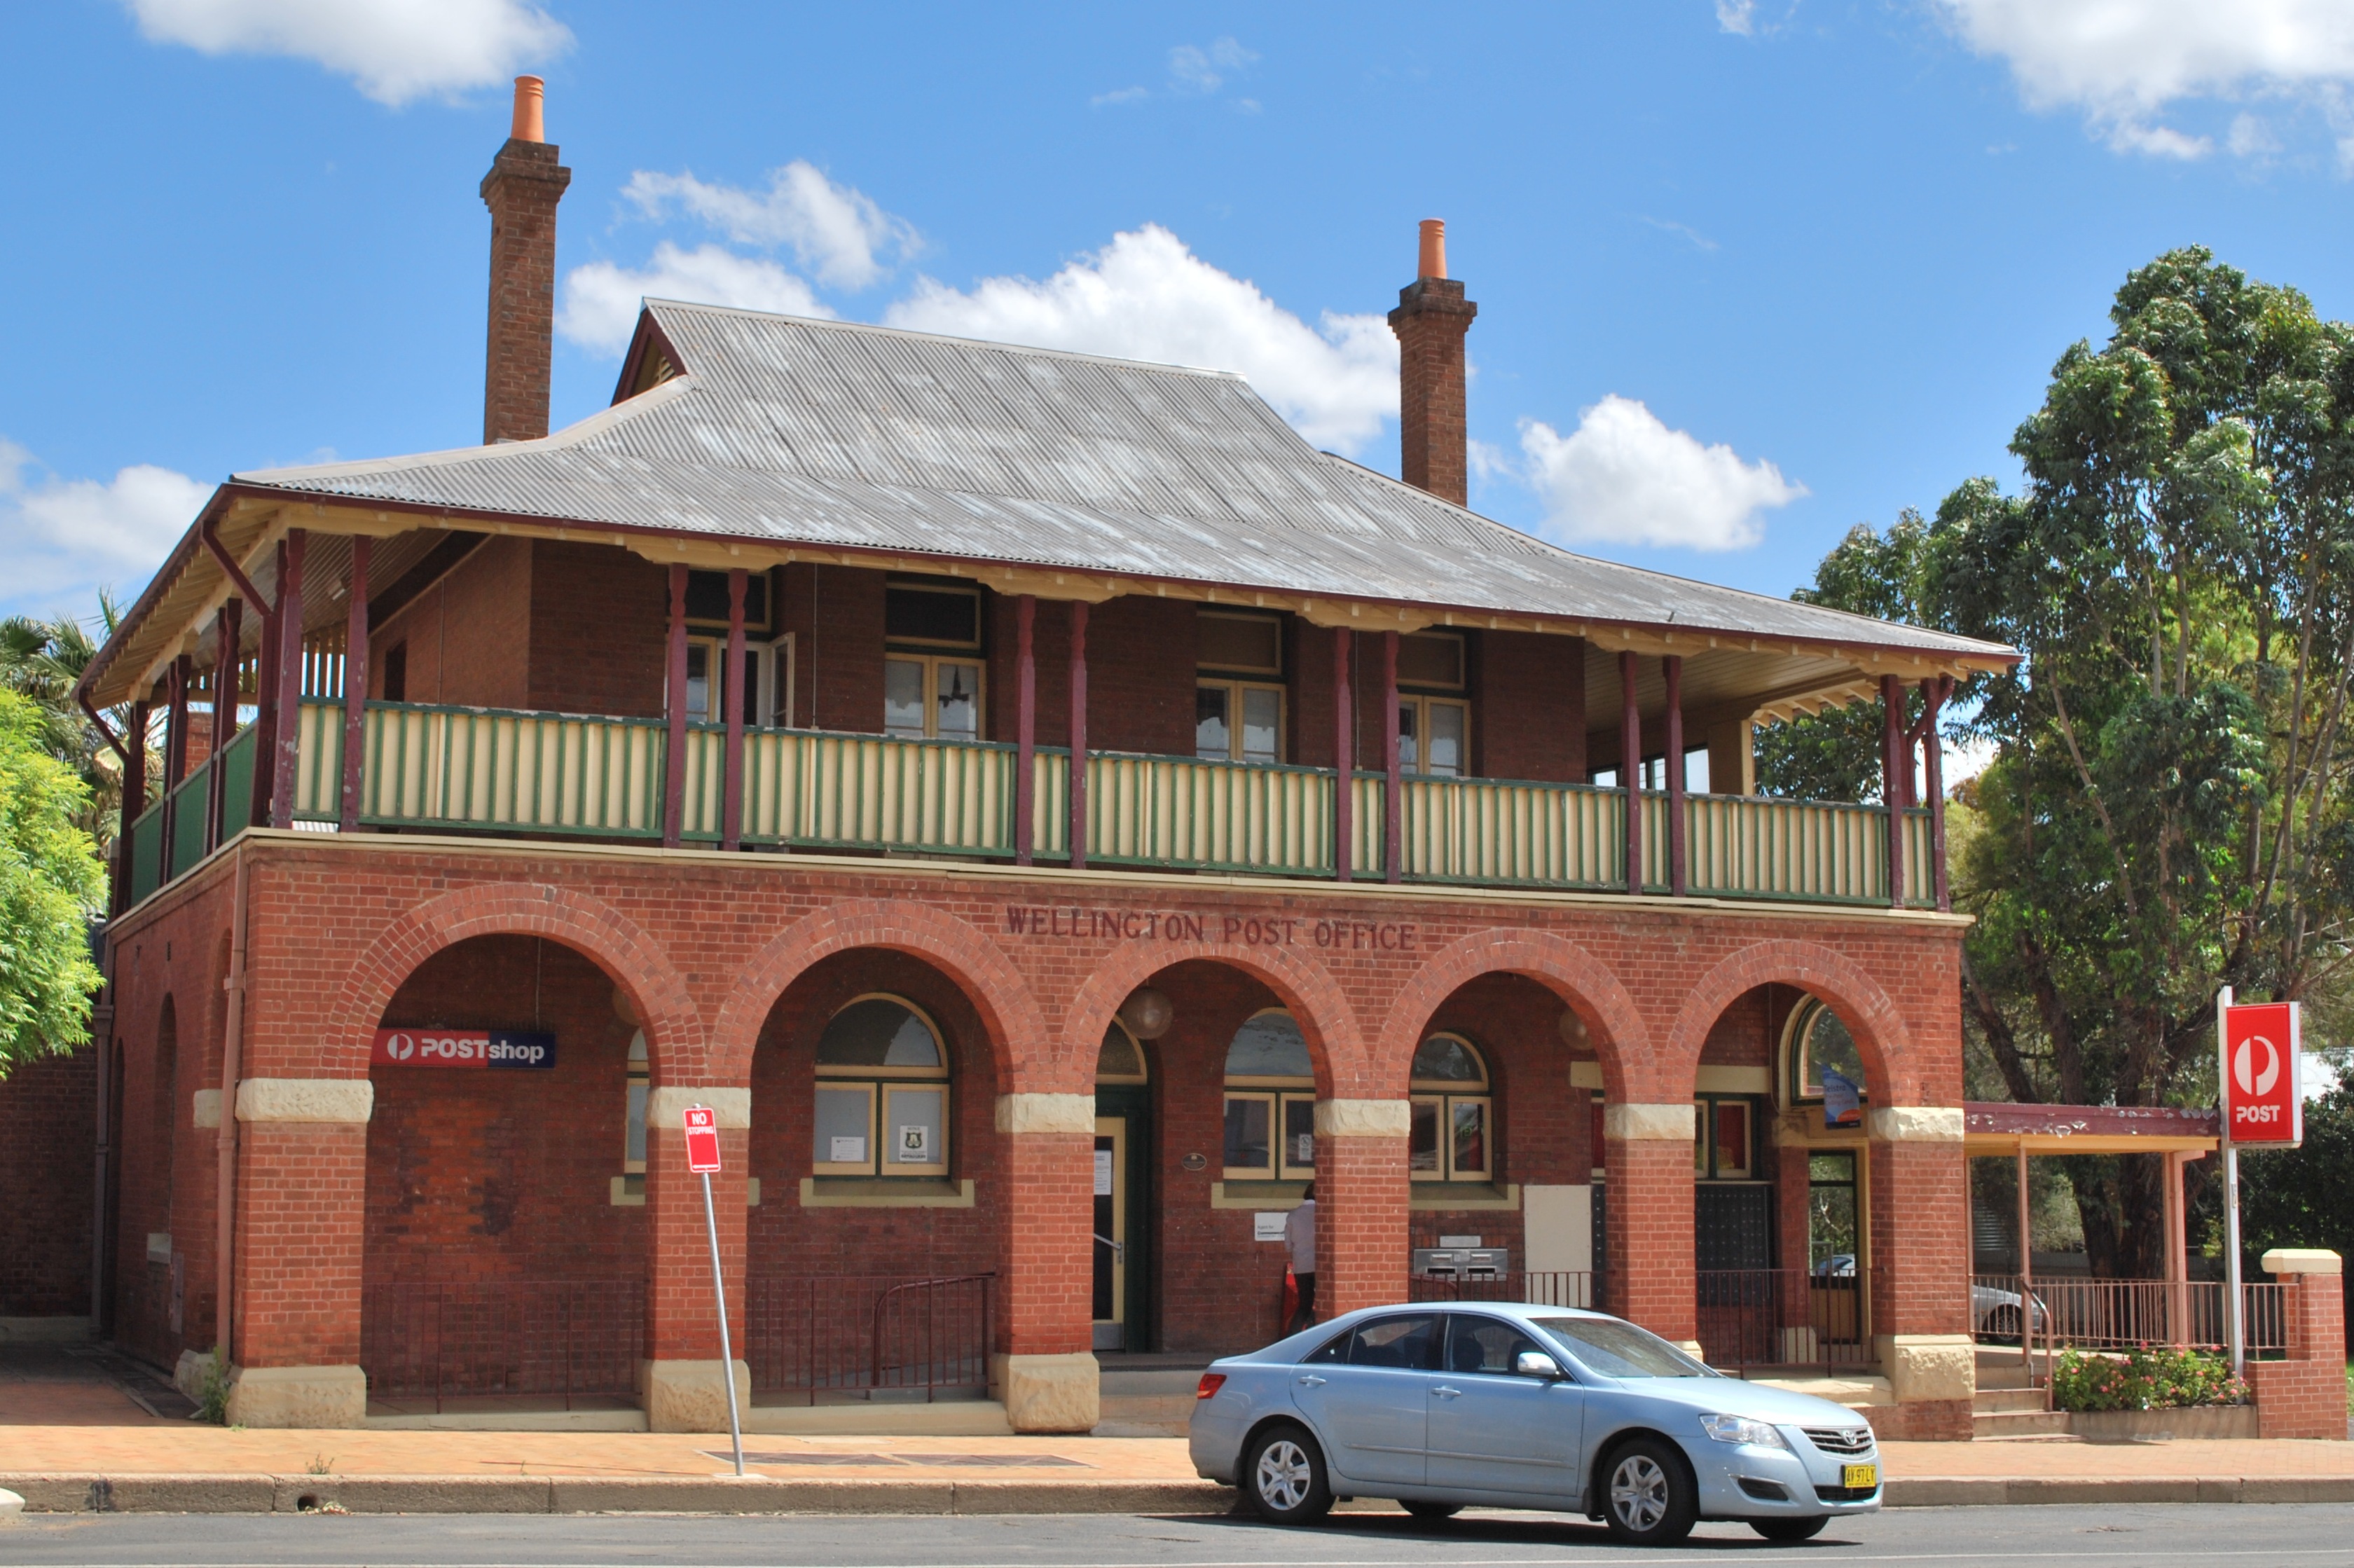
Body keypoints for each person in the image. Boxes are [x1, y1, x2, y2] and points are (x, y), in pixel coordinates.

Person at [1283, 1183, 1317, 1333]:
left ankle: (1291, 1340)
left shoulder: (1293, 1215)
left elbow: (1288, 1246)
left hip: (1301, 1266)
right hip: (1322, 1266)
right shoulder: (1324, 1213)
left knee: (1304, 1305)